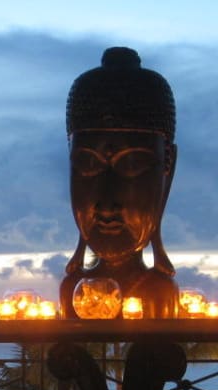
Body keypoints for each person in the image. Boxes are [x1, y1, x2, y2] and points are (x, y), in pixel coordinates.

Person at [60, 46, 180, 319]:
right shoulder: (74, 291)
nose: (106, 204)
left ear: (168, 169)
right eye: (87, 165)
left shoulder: (158, 290)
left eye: (133, 166)